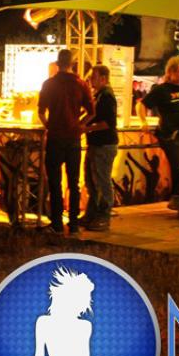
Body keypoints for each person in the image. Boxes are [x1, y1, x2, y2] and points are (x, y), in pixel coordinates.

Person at [38, 48, 94, 235]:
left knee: (55, 183)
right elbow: (91, 112)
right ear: (71, 64)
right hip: (73, 139)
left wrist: (49, 125)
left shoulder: (49, 84)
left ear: (57, 64)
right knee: (73, 183)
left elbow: (40, 112)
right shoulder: (81, 84)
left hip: (55, 138)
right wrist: (79, 124)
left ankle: (56, 223)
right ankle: (74, 224)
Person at [138, 55, 179, 218]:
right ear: (170, 72)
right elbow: (141, 105)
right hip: (169, 136)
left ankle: (178, 199)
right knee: (177, 169)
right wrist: (143, 122)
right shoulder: (161, 90)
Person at [80, 65, 118, 231]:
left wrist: (86, 129)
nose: (90, 80)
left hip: (104, 144)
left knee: (102, 180)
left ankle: (104, 215)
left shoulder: (107, 96)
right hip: (95, 144)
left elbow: (108, 123)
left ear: (103, 78)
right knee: (90, 180)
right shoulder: (98, 95)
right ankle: (91, 213)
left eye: (93, 77)